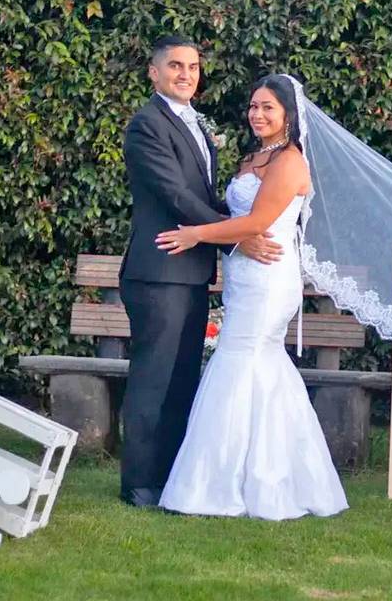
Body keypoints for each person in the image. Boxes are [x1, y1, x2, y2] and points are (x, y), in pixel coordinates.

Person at [155, 74, 348, 520]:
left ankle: (220, 485)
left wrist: (195, 235)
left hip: (268, 278)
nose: (257, 115)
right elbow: (240, 222)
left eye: (268, 108)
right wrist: (233, 239)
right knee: (259, 365)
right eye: (253, 106)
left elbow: (258, 220)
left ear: (288, 115)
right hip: (244, 274)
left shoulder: (289, 162)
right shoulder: (254, 158)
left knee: (240, 359)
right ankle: (276, 475)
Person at [118, 37, 281, 508]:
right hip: (160, 272)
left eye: (192, 66)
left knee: (182, 378)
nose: (186, 74)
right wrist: (235, 235)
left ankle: (171, 475)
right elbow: (176, 196)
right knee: (154, 379)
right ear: (154, 73)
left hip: (191, 272)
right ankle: (140, 484)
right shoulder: (147, 125)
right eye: (175, 66)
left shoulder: (194, 123)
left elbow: (205, 199)